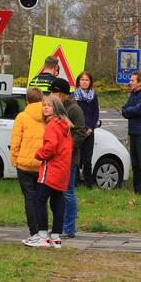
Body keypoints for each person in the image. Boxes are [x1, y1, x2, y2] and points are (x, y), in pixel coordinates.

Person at [23, 94, 73, 249]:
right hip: (63, 169)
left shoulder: (52, 125)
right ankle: (56, 237)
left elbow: (50, 147)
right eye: (44, 105)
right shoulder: (65, 126)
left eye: (49, 105)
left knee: (39, 200)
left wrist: (39, 154)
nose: (45, 107)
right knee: (57, 202)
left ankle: (43, 235)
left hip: (51, 169)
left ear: (56, 108)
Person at [48, 77, 87, 237]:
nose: (51, 95)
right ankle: (60, 226)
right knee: (58, 194)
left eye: (54, 92)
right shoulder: (56, 108)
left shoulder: (74, 109)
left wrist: (67, 148)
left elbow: (80, 132)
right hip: (56, 159)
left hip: (69, 159)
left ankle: (69, 228)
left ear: (62, 93)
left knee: (67, 193)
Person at [10, 87, 46, 237]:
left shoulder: (22, 117)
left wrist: (15, 160)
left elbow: (15, 142)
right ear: (42, 100)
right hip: (42, 163)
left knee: (29, 198)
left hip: (24, 165)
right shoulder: (47, 116)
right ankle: (43, 230)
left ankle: (34, 232)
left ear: (26, 101)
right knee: (41, 199)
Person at [73, 71, 101, 188]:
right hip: (78, 131)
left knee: (87, 159)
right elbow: (74, 114)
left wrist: (90, 128)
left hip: (90, 131)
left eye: (87, 80)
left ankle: (88, 183)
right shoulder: (74, 96)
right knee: (76, 158)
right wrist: (83, 128)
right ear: (78, 82)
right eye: (82, 80)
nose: (84, 82)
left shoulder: (94, 96)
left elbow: (95, 114)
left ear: (90, 82)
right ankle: (75, 182)